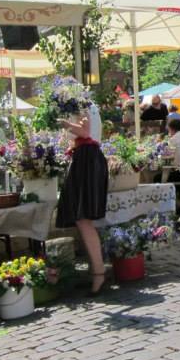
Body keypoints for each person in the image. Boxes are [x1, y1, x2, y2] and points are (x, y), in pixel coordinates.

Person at [56, 101, 109, 295]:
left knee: (83, 219)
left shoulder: (83, 106)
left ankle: (98, 271)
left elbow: (85, 132)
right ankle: (96, 269)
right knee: (83, 219)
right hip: (87, 158)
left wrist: (65, 123)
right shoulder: (88, 107)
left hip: (87, 160)